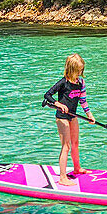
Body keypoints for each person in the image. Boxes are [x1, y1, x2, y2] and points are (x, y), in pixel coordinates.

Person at [44, 53, 96, 186]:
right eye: (78, 70)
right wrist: (59, 104)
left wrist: (89, 114)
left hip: (73, 116)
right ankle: (62, 178)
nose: (80, 72)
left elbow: (83, 101)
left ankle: (77, 168)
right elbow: (47, 95)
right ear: (72, 69)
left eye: (81, 70)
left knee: (75, 143)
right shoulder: (63, 83)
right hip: (62, 117)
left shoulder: (81, 83)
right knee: (66, 146)